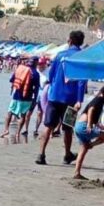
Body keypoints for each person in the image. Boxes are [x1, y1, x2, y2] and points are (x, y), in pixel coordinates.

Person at [36, 31, 88, 165]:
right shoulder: (82, 58)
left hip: (54, 97)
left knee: (48, 126)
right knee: (67, 128)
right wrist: (79, 100)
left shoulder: (60, 55)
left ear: (69, 40)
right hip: (71, 99)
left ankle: (41, 154)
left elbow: (51, 75)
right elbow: (82, 81)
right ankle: (67, 155)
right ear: (81, 42)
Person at [0, 58, 39, 138]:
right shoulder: (35, 73)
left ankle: (6, 130)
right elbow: (36, 88)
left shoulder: (20, 69)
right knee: (23, 115)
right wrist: (35, 99)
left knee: (10, 112)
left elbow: (11, 80)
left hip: (16, 96)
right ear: (36, 63)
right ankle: (18, 133)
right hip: (27, 97)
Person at [73, 87, 104, 180]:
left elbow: (94, 118)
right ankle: (91, 145)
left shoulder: (98, 99)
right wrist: (89, 125)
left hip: (78, 126)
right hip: (84, 126)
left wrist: (98, 126)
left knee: (83, 149)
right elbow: (91, 109)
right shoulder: (99, 99)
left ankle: (77, 173)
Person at [32, 57, 50, 137]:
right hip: (38, 94)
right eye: (38, 64)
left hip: (46, 94)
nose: (39, 66)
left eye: (41, 64)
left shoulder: (49, 71)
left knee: (46, 112)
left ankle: (47, 130)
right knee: (39, 113)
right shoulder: (36, 71)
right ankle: (36, 129)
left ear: (45, 64)